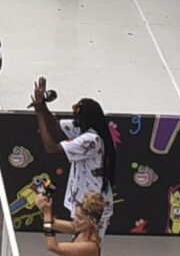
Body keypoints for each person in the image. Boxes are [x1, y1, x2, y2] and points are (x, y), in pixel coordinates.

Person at [32, 80, 117, 232]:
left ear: (86, 119)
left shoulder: (91, 140)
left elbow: (52, 149)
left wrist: (39, 113)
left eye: (77, 118)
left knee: (88, 242)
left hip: (92, 204)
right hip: (83, 199)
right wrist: (42, 105)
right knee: (79, 237)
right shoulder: (83, 128)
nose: (74, 121)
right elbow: (54, 125)